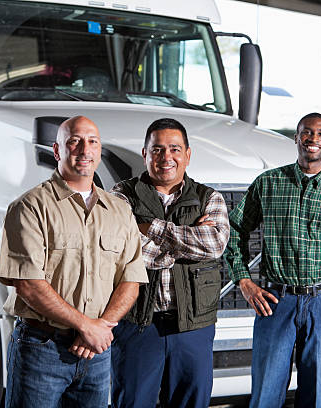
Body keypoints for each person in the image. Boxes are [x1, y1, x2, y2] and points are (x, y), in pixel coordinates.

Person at [0, 116, 148, 408]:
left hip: (97, 354)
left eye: (92, 141)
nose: (84, 149)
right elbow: (28, 284)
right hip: (42, 349)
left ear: (99, 149)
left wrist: (100, 327)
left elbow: (132, 280)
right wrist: (86, 326)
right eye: (74, 141)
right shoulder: (30, 207)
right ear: (57, 151)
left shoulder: (119, 210)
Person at [225, 113, 321, 408]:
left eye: (320, 134)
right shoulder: (269, 184)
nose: (312, 139)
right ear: (296, 137)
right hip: (276, 301)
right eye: (306, 132)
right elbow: (233, 229)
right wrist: (244, 281)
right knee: (265, 393)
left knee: (314, 396)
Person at [110, 118, 230, 408]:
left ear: (188, 154)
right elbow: (123, 250)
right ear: (145, 154)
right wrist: (188, 242)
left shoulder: (209, 198)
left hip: (192, 328)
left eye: (175, 149)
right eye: (158, 150)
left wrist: (151, 228)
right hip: (138, 325)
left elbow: (214, 245)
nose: (166, 157)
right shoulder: (120, 196)